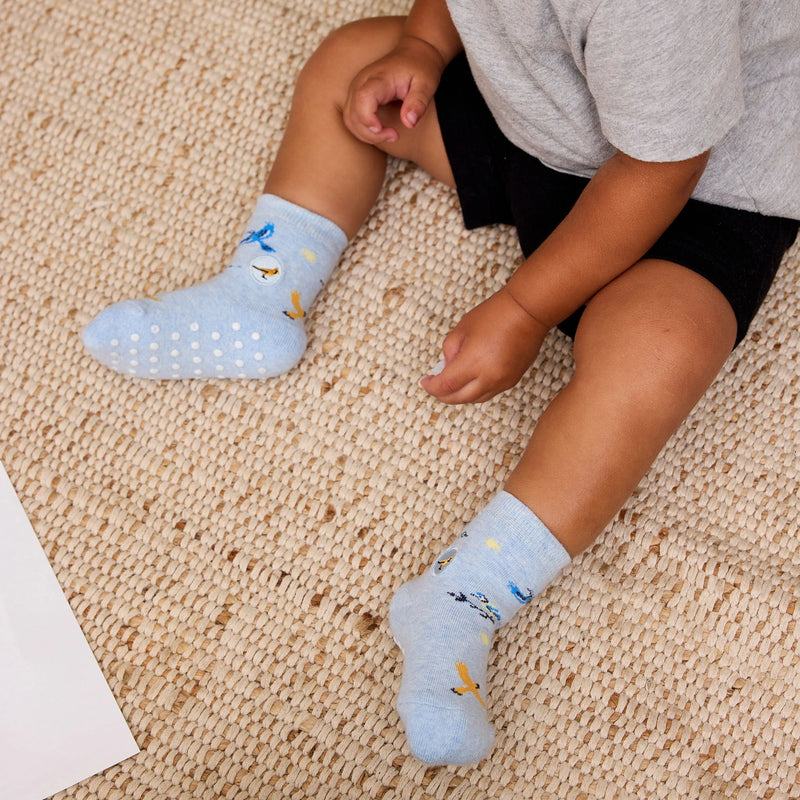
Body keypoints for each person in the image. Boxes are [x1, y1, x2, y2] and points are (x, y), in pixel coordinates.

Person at [83, 0, 800, 766]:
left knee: (661, 350)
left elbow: (663, 164)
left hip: (694, 188)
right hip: (543, 117)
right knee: (352, 63)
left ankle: (467, 594)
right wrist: (425, 43)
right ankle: (261, 292)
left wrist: (524, 307)